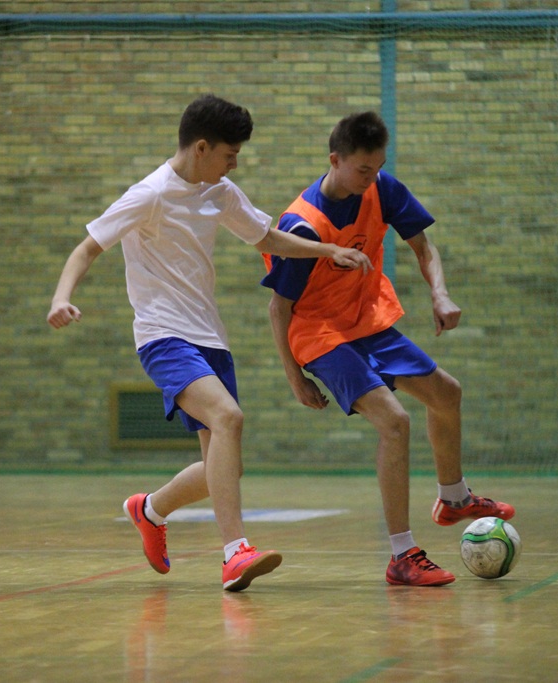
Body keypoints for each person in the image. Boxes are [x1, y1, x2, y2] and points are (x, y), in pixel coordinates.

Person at [47, 94, 372, 591]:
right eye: (229, 153)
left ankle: (150, 509)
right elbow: (87, 247)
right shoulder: (149, 194)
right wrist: (61, 298)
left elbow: (265, 238)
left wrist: (328, 249)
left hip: (210, 338)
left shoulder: (218, 191)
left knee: (225, 466)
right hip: (162, 335)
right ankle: (235, 553)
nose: (234, 162)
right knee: (229, 418)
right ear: (201, 148)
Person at [261, 111, 514, 587]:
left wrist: (439, 293)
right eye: (362, 170)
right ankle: (401, 554)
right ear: (335, 160)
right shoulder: (303, 225)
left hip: (367, 323)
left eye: (376, 168)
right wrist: (295, 377)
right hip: (319, 334)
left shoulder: (382, 189)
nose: (371, 179)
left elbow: (424, 248)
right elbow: (279, 309)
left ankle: (455, 497)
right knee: (395, 422)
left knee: (447, 393)